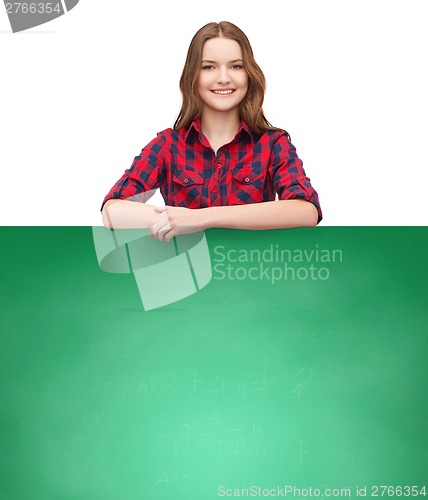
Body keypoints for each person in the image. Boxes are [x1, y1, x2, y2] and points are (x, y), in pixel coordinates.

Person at [101, 21, 322, 242]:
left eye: (236, 66)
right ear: (192, 76)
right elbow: (113, 211)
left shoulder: (273, 143)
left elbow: (306, 211)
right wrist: (175, 221)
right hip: (185, 272)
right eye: (209, 67)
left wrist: (202, 218)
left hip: (253, 269)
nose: (224, 77)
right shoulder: (168, 144)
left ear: (249, 74)